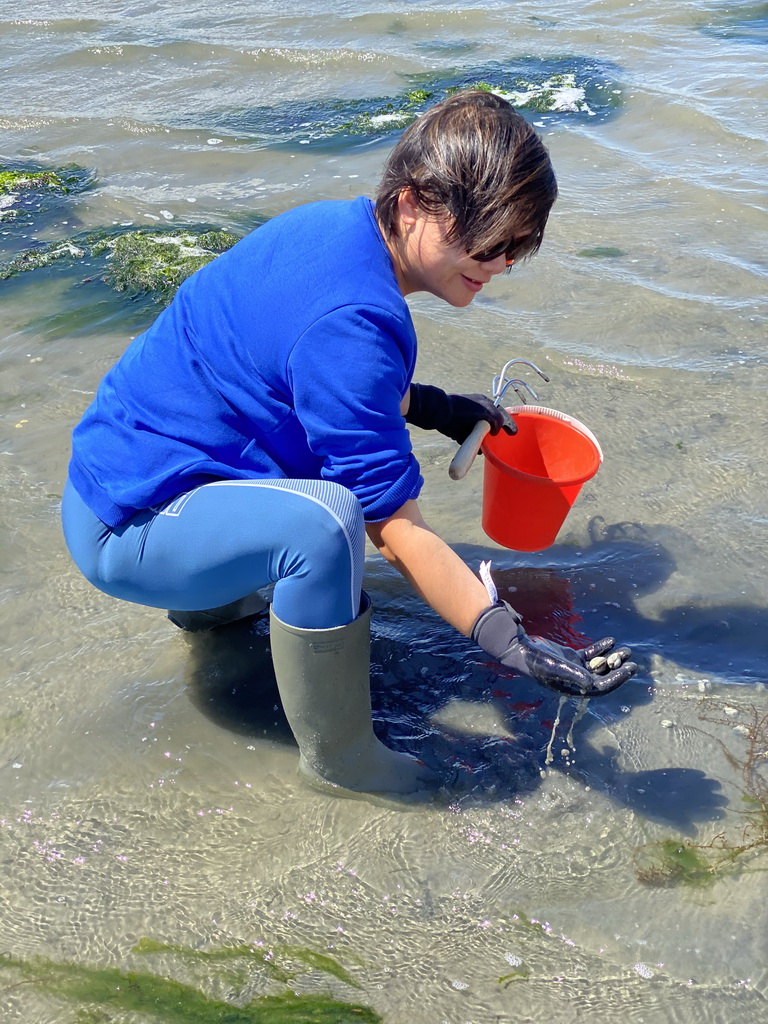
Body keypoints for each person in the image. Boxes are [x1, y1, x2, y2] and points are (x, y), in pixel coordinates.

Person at [61, 90, 637, 797]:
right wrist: (506, 640)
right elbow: (390, 525)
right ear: (412, 202)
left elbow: (318, 384)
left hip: (124, 479)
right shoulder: (356, 322)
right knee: (327, 522)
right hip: (133, 529)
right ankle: (341, 759)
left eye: (516, 246)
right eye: (487, 239)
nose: (498, 262)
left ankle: (216, 617)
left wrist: (438, 409)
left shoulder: (335, 233)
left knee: (308, 491)